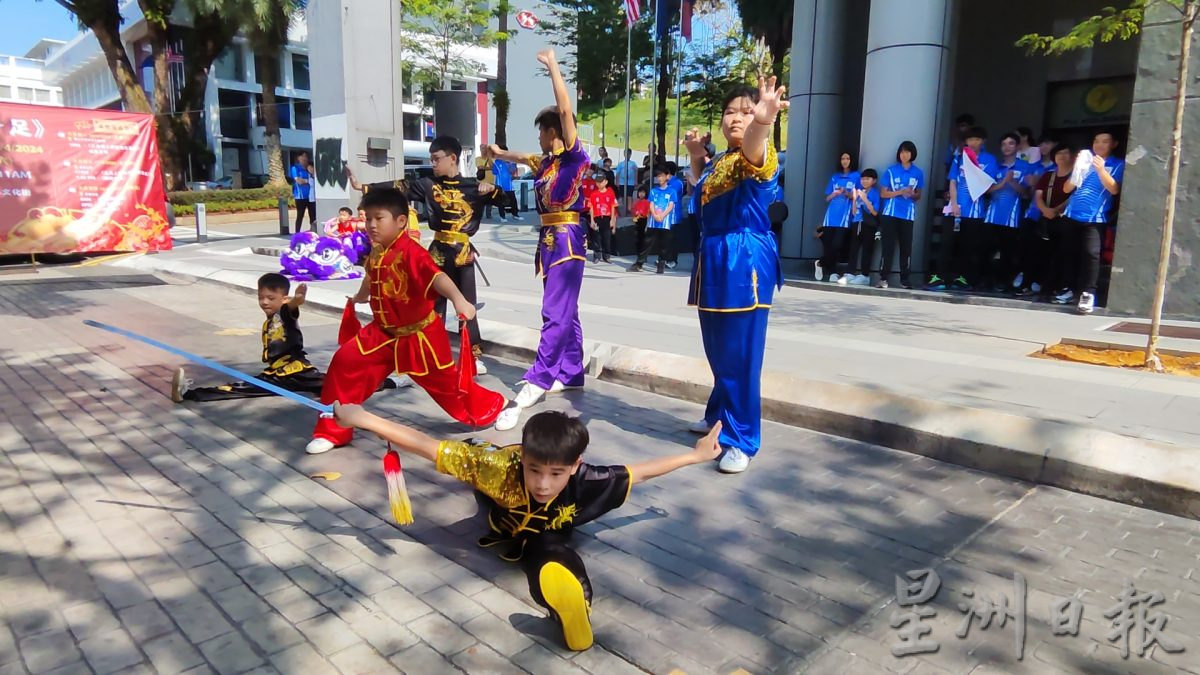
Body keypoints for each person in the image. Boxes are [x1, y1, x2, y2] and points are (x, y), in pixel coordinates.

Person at [332, 403, 723, 651]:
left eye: (556, 474)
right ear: (524, 458)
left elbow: (639, 472)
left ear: (575, 465)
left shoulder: (587, 478)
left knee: (550, 552)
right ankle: (566, 594)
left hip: (546, 530)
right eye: (535, 470)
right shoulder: (500, 469)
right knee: (473, 461)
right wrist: (364, 418)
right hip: (497, 503)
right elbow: (426, 445)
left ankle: (575, 605)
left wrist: (694, 456)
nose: (542, 483)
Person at [305, 189, 508, 455]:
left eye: (379, 219)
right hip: (382, 333)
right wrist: (360, 297)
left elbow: (437, 278)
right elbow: (371, 274)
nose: (372, 225)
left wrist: (460, 300)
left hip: (419, 336)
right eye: (368, 219)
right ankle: (333, 429)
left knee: (447, 387)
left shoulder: (413, 253)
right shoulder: (378, 250)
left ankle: (492, 404)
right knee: (345, 363)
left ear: (401, 221)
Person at [682, 76, 787, 474]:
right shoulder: (721, 161)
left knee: (741, 355)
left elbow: (756, 145)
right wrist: (695, 153)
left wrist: (763, 121)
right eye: (730, 112)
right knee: (717, 347)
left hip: (744, 261)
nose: (737, 119)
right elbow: (700, 183)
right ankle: (720, 413)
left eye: (746, 111)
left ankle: (742, 439)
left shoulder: (756, 157)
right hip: (713, 259)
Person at [486, 48, 590, 432]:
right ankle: (572, 370)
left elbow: (564, 112)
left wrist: (553, 69)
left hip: (567, 239)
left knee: (555, 311)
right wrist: (499, 153)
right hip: (548, 239)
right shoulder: (545, 163)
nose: (541, 138)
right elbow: (521, 157)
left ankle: (539, 378)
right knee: (568, 311)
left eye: (543, 132)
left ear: (555, 133)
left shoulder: (575, 157)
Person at [347, 137, 499, 373]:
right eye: (431, 159)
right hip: (437, 251)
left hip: (462, 253)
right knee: (430, 306)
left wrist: (492, 189)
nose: (433, 163)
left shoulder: (472, 186)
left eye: (437, 159)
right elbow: (397, 186)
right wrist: (363, 187)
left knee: (466, 304)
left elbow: (508, 201)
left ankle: (472, 356)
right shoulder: (428, 184)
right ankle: (429, 354)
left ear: (453, 158)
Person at [1061, 130, 1124, 314]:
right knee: (1068, 252)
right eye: (1096, 141)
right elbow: (1066, 189)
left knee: (1091, 254)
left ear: (1114, 144)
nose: (1099, 145)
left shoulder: (1117, 164)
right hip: (1072, 214)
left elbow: (1114, 189)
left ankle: (1088, 293)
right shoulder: (1085, 161)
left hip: (1095, 217)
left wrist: (1101, 169)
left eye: (1105, 141)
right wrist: (1077, 171)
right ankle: (1068, 288)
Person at [929, 126, 996, 291]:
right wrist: (953, 203)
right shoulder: (959, 158)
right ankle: (940, 277)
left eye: (977, 139)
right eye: (970, 139)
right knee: (946, 243)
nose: (973, 142)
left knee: (969, 246)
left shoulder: (989, 159)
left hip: (975, 211)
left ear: (983, 141)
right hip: (955, 209)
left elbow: (989, 184)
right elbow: (953, 181)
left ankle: (963, 278)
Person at [981, 132, 1033, 291]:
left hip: (1012, 216)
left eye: (1011, 143)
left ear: (1017, 146)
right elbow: (987, 190)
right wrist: (1004, 181)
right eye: (1004, 144)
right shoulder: (996, 166)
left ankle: (1004, 282)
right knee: (986, 248)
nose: (1007, 147)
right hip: (992, 214)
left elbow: (1026, 194)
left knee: (1008, 251)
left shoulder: (1024, 166)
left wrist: (1013, 182)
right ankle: (986, 280)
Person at [1013, 135, 1058, 296]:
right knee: (1027, 247)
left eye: (1048, 142)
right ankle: (1025, 280)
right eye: (1041, 143)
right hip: (1032, 212)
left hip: (1050, 214)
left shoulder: (1057, 167)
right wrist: (1032, 184)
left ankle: (1040, 281)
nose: (1044, 146)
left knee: (1045, 250)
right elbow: (1027, 191)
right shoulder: (1033, 165)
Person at [879, 140, 924, 289]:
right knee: (888, 246)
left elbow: (919, 196)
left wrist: (911, 193)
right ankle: (883, 278)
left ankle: (905, 279)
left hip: (907, 214)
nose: (904, 155)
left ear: (912, 154)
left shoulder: (918, 172)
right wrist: (900, 192)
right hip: (890, 213)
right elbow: (883, 193)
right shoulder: (891, 170)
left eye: (907, 152)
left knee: (906, 247)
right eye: (902, 151)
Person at [1034, 143, 1075, 301]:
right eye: (1059, 153)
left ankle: (1063, 287)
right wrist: (1046, 210)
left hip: (1066, 221)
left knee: (1063, 255)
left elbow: (1073, 197)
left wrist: (1056, 211)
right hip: (1046, 220)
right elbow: (1038, 196)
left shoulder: (1076, 176)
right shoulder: (1047, 176)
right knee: (1044, 254)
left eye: (1065, 153)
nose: (1062, 156)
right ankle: (1044, 286)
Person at [815, 151, 859, 283]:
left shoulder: (856, 176)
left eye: (847, 158)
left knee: (837, 245)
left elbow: (856, 196)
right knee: (828, 245)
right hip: (830, 216)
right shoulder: (835, 177)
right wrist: (835, 193)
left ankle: (820, 263)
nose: (845, 161)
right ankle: (832, 272)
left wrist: (846, 193)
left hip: (844, 217)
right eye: (842, 158)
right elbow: (827, 198)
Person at [633, 165, 677, 274]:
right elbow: (651, 204)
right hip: (653, 221)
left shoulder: (671, 191)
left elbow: (671, 206)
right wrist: (655, 215)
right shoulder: (653, 191)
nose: (659, 179)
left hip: (665, 222)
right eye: (658, 176)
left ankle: (661, 265)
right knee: (647, 242)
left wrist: (663, 215)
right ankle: (639, 263)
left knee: (664, 244)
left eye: (661, 176)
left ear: (667, 176)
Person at [843, 168, 881, 286]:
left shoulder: (874, 193)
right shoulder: (859, 192)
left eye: (867, 179)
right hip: (856, 222)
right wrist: (855, 199)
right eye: (863, 179)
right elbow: (854, 212)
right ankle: (850, 273)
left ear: (874, 181)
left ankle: (865, 275)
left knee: (867, 249)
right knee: (853, 248)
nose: (864, 181)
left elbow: (875, 212)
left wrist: (865, 199)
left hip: (868, 224)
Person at [586, 171, 617, 263]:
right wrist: (592, 220)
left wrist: (612, 220)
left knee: (607, 237)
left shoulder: (610, 193)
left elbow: (613, 207)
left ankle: (606, 256)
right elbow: (591, 207)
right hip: (597, 217)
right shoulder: (594, 193)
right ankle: (597, 255)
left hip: (607, 217)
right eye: (597, 182)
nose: (599, 184)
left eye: (601, 181)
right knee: (597, 237)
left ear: (606, 182)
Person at [493, 147, 523, 223]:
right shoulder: (497, 162)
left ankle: (515, 215)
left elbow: (513, 172)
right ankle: (502, 216)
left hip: (509, 185)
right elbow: (494, 172)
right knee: (501, 202)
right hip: (500, 185)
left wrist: (510, 164)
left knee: (513, 200)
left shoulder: (511, 162)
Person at [290, 151, 316, 232]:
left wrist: (310, 172)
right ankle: (297, 233)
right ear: (298, 158)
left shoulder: (310, 167)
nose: (304, 158)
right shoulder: (295, 168)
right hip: (300, 196)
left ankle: (313, 231)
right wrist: (309, 181)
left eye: (306, 156)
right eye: (302, 156)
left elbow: (315, 178)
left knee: (313, 216)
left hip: (311, 196)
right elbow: (299, 181)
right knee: (300, 215)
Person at [626, 186, 651, 270]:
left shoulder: (647, 202)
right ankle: (639, 255)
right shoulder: (636, 202)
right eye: (640, 192)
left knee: (644, 240)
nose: (641, 194)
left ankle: (643, 257)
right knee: (637, 240)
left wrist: (647, 224)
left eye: (643, 192)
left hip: (644, 220)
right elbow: (633, 210)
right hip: (637, 221)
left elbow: (648, 213)